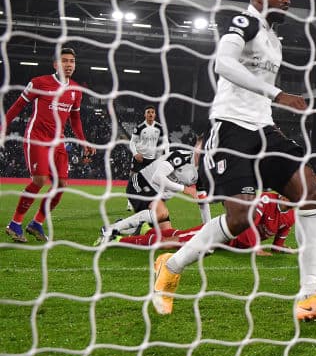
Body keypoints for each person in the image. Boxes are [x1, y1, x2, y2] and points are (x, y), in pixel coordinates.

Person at [150, 0, 316, 321]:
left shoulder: (274, 40)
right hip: (232, 130)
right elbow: (223, 63)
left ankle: (309, 295)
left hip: (265, 129)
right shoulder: (244, 22)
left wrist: (270, 104)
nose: (287, 0)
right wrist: (277, 94)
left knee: (310, 192)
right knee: (241, 218)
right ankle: (170, 267)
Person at [2, 47, 95, 242]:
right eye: (64, 61)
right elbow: (18, 105)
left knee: (61, 185)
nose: (69, 65)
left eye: (71, 61)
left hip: (58, 141)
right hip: (37, 138)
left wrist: (83, 141)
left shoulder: (76, 90)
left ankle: (36, 223)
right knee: (40, 180)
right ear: (55, 64)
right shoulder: (39, 82)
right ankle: (15, 224)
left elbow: (75, 120)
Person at [121, 191, 294, 257]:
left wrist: (281, 248)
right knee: (172, 244)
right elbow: (248, 221)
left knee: (179, 235)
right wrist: (256, 249)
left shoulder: (291, 216)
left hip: (233, 244)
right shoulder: (266, 199)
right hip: (223, 232)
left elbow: (279, 241)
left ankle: (147, 231)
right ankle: (119, 240)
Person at [95, 140, 198, 245]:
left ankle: (134, 228)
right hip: (140, 184)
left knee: (167, 233)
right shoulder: (181, 156)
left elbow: (202, 201)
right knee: (161, 213)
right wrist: (184, 189)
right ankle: (111, 229)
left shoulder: (203, 171)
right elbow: (157, 177)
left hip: (156, 197)